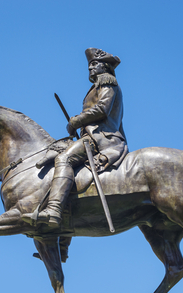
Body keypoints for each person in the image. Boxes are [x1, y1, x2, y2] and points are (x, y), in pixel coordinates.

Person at [22, 48, 128, 227]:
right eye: (89, 65)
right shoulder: (97, 87)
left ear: (105, 67)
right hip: (92, 136)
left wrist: (76, 120)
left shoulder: (106, 82)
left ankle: (54, 210)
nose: (90, 68)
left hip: (102, 139)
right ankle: (62, 241)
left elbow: (102, 109)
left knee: (64, 159)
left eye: (94, 64)